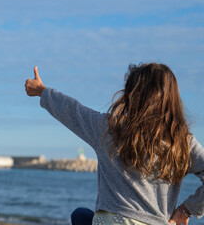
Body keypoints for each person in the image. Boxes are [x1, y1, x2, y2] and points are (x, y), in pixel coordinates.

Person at [25, 63, 204, 225]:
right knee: (80, 215)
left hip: (110, 222)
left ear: (132, 95)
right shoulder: (182, 142)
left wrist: (42, 91)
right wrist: (186, 209)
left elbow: (73, 111)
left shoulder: (109, 129)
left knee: (80, 215)